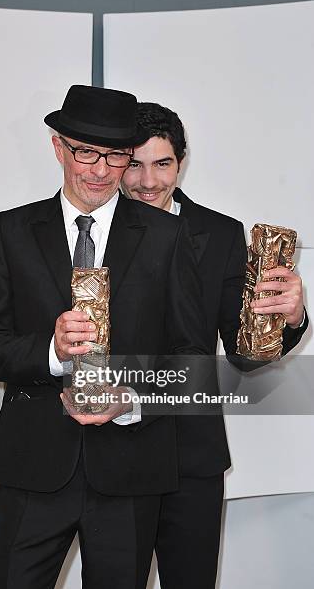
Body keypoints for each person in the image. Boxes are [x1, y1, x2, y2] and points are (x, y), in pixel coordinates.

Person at [0, 85, 211, 589]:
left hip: (132, 472)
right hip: (32, 468)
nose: (99, 170)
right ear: (58, 148)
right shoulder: (10, 230)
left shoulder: (169, 236)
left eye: (115, 155)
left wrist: (132, 400)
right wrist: (51, 350)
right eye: (86, 152)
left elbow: (192, 356)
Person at [120, 101, 308, 589]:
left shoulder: (221, 233)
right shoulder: (88, 229)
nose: (147, 181)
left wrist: (289, 319)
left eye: (162, 163)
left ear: (181, 162)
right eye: (134, 164)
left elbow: (244, 354)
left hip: (192, 454)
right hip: (110, 454)